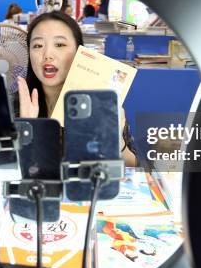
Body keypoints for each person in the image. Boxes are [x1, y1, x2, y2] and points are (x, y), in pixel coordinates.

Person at [17, 11, 137, 166]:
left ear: (79, 52)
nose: (47, 55)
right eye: (38, 46)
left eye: (60, 45)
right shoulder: (14, 106)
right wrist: (26, 133)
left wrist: (117, 143)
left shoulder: (100, 105)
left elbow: (135, 169)